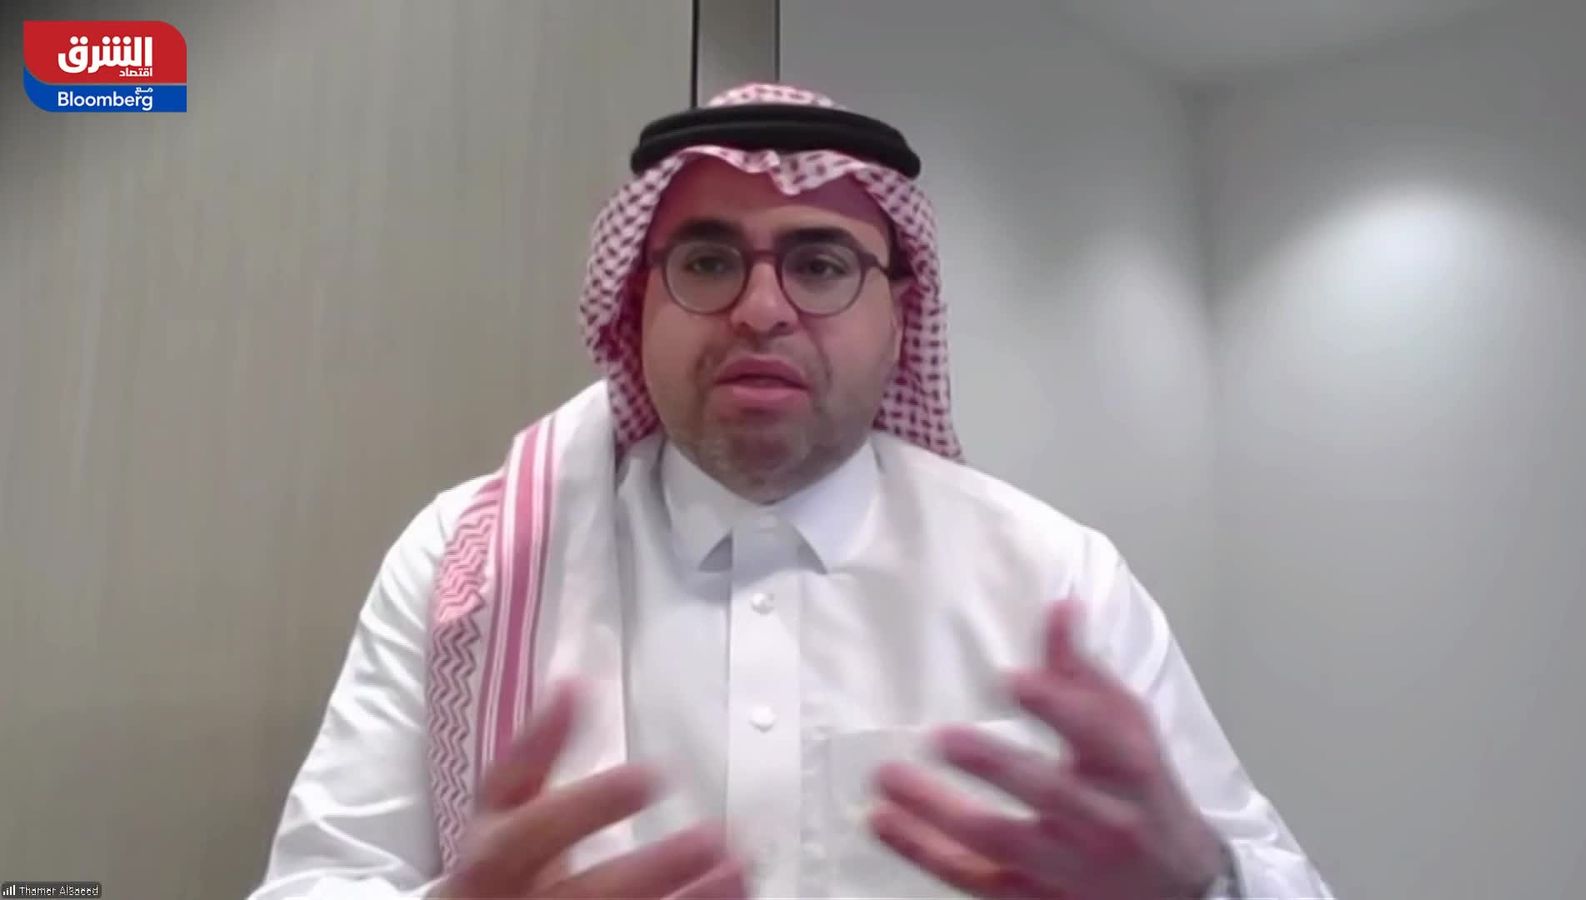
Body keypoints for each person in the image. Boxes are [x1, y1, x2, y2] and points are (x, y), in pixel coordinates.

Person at [249, 83, 1335, 900]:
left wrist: (1201, 883)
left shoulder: (1054, 579)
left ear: (899, 315)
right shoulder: (468, 559)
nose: (762, 309)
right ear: (635, 305)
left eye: (820, 264)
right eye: (708, 262)